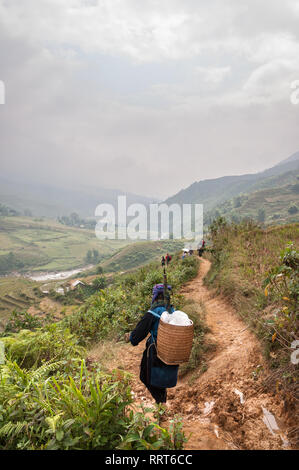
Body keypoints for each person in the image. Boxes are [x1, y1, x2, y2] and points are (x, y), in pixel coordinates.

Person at [128, 284, 178, 404]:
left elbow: (136, 337)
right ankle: (161, 403)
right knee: (160, 378)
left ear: (155, 296)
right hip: (170, 350)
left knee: (146, 376)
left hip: (155, 351)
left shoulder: (153, 313)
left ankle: (161, 405)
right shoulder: (172, 311)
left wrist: (130, 337)